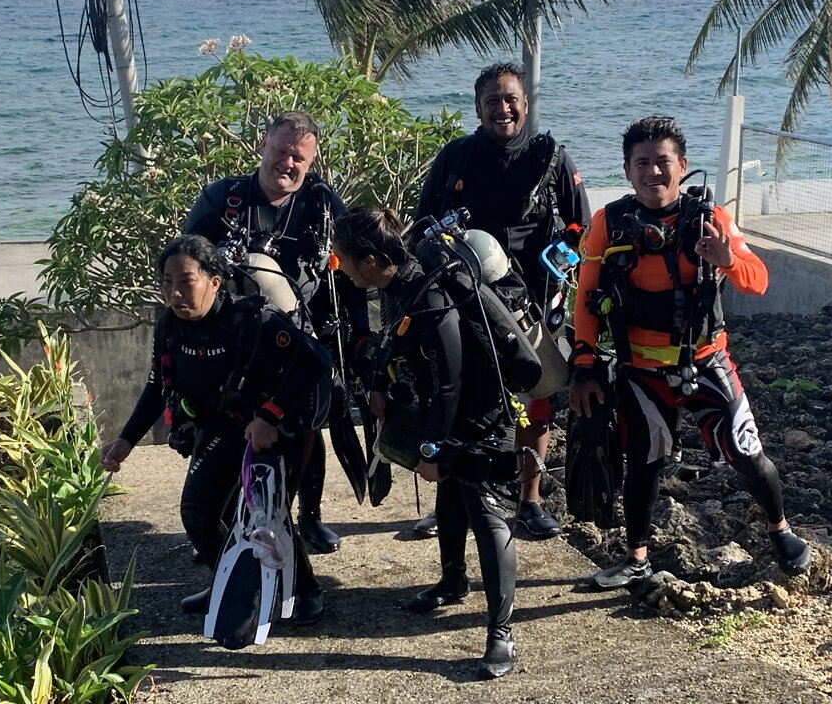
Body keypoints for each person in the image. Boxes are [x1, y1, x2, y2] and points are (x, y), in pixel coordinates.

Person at [569, 116, 812, 589]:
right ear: (626, 170)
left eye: (663, 162)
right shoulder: (609, 222)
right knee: (642, 463)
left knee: (746, 452)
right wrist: (584, 365)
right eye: (643, 163)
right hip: (639, 370)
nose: (653, 173)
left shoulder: (709, 218)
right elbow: (586, 297)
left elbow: (758, 279)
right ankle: (636, 556)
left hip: (705, 362)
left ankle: (781, 530)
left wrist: (729, 260)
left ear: (682, 166)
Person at [101, 234, 333, 620]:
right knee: (198, 513)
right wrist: (126, 439)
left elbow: (314, 362)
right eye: (167, 282)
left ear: (214, 281)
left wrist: (270, 415)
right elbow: (157, 386)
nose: (175, 292)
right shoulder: (169, 329)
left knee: (269, 515)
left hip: (276, 432)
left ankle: (304, 590)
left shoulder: (253, 320)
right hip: (220, 428)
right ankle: (231, 580)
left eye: (186, 281)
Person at [333, 207, 520, 679]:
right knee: (451, 496)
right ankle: (453, 581)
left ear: (371, 260)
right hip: (449, 408)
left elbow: (451, 381)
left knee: (485, 514)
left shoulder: (430, 298)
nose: (339, 264)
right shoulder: (399, 284)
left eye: (344, 258)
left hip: (482, 414)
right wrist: (377, 381)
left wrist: (433, 449)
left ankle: (501, 633)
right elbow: (396, 343)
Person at [411, 61, 591, 540]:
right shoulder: (455, 158)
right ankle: (452, 502)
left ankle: (530, 501)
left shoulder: (552, 157)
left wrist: (566, 255)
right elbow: (421, 226)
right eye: (492, 101)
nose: (503, 109)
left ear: (525, 105)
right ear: (478, 108)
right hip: (468, 299)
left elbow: (581, 226)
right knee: (462, 399)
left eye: (511, 99)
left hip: (534, 298)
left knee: (537, 398)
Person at [184, 110, 373, 555]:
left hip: (303, 338)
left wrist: (360, 337)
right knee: (222, 429)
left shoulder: (322, 203)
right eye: (282, 151)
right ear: (263, 145)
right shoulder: (221, 200)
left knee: (308, 426)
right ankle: (216, 520)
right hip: (234, 344)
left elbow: (350, 273)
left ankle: (310, 517)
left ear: (311, 163)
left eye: (299, 159)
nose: (288, 163)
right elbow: (185, 267)